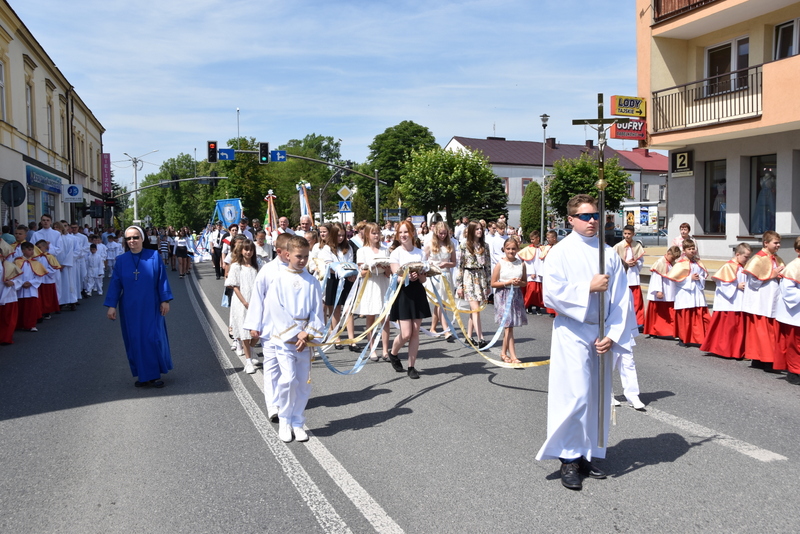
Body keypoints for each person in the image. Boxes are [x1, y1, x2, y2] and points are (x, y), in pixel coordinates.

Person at [535, 194, 636, 491]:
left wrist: (612, 334)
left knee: (596, 397)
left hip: (601, 332)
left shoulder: (608, 253)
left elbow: (622, 298)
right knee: (576, 395)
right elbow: (550, 294)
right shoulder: (560, 252)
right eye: (584, 216)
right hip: (573, 330)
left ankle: (586, 453)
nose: (592, 221)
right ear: (570, 220)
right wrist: (587, 288)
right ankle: (568, 458)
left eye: (595, 215)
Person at [104, 226, 174, 388]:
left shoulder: (154, 256)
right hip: (130, 307)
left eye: (135, 237)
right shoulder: (121, 260)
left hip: (152, 305)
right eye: (128, 238)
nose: (132, 241)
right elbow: (115, 284)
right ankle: (143, 375)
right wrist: (111, 305)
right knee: (135, 340)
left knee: (152, 338)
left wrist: (165, 300)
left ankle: (153, 374)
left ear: (142, 238)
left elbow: (162, 279)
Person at [387, 220, 431, 379]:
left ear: (412, 233)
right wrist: (407, 277)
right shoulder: (396, 253)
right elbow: (396, 277)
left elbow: (424, 279)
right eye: (400, 232)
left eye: (406, 232)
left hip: (417, 292)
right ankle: (393, 353)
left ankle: (411, 366)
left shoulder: (420, 253)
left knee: (415, 332)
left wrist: (419, 275)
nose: (403, 235)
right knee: (406, 333)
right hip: (403, 293)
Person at [742, 231, 785, 370]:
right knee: (762, 332)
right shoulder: (758, 259)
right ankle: (766, 360)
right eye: (775, 243)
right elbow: (753, 283)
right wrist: (772, 275)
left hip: (772, 299)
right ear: (766, 243)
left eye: (779, 243)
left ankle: (760, 359)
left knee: (769, 331)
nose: (778, 245)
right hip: (760, 300)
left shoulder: (776, 258)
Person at [700, 243, 751, 359]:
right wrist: (736, 286)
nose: (747, 259)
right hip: (729, 302)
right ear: (737, 254)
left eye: (749, 257)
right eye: (746, 257)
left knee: (737, 329)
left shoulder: (743, 267)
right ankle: (725, 350)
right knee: (728, 328)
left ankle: (737, 351)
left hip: (739, 300)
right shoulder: (728, 267)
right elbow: (722, 283)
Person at [355, 222, 392, 361]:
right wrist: (372, 267)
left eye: (378, 233)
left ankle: (385, 350)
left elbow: (389, 273)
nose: (376, 235)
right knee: (370, 317)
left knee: (385, 318)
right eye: (373, 233)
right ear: (367, 235)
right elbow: (361, 272)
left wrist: (386, 268)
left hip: (383, 283)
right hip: (370, 284)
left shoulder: (385, 250)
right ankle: (372, 349)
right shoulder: (362, 251)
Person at [666, 239, 710, 346]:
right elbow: (675, 279)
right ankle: (683, 337)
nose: (692, 251)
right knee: (685, 317)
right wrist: (690, 278)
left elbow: (703, 275)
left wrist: (699, 277)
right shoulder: (680, 264)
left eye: (693, 248)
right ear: (684, 250)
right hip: (685, 293)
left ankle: (701, 338)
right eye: (689, 249)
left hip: (697, 291)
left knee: (699, 314)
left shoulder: (698, 262)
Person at [489, 238, 527, 363]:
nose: (511, 251)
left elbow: (525, 283)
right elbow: (493, 283)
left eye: (513, 249)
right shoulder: (500, 264)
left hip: (515, 295)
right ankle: (513, 356)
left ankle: (503, 353)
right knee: (508, 326)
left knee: (509, 326)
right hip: (503, 296)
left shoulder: (521, 264)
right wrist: (508, 282)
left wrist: (518, 282)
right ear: (504, 249)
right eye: (508, 249)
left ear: (517, 249)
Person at [454, 221, 491, 347]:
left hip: (481, 278)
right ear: (471, 231)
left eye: (481, 229)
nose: (479, 231)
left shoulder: (485, 246)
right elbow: (460, 266)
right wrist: (459, 285)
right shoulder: (464, 245)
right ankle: (481, 338)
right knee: (476, 310)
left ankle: (469, 336)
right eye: (477, 229)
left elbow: (488, 266)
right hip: (468, 277)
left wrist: (488, 284)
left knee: (474, 310)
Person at [226, 239, 261, 374]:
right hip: (242, 302)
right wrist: (245, 302)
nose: (248, 252)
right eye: (246, 249)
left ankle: (251, 349)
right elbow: (235, 286)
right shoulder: (236, 266)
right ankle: (248, 362)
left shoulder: (256, 266)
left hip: (255, 302)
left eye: (251, 250)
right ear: (241, 251)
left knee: (258, 331)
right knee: (245, 333)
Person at [423, 221, 457, 342]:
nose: (442, 235)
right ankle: (446, 330)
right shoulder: (430, 244)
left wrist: (446, 264)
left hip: (446, 276)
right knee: (440, 303)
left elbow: (454, 262)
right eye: (440, 233)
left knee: (442, 303)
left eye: (444, 233)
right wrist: (430, 265)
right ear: (436, 232)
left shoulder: (450, 244)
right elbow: (423, 261)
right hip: (435, 276)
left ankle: (433, 328)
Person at [777, 237, 800, 385]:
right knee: (796, 344)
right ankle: (794, 372)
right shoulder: (793, 267)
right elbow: (788, 291)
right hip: (795, 313)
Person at [613, 225, 646, 328]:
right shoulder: (618, 246)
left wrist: (636, 263)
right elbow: (614, 261)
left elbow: (641, 260)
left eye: (629, 234)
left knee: (637, 300)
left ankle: (639, 322)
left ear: (633, 234)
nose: (627, 236)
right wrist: (625, 263)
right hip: (624, 274)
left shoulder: (637, 246)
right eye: (625, 233)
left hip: (633, 275)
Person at [644, 246, 680, 338]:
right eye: (672, 258)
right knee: (657, 312)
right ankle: (653, 331)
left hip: (670, 291)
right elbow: (656, 278)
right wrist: (659, 291)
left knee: (670, 312)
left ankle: (671, 331)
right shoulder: (660, 263)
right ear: (668, 253)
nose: (673, 260)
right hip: (662, 291)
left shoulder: (672, 263)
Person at [14, 242, 45, 332]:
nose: (31, 252)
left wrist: (31, 283)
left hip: (31, 288)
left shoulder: (36, 263)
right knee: (20, 307)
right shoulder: (17, 262)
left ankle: (31, 325)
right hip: (20, 288)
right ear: (23, 250)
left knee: (31, 308)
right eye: (29, 250)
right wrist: (21, 283)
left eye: (32, 250)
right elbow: (14, 275)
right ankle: (19, 324)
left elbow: (39, 276)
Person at [34, 240, 61, 319]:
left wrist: (45, 271)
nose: (38, 249)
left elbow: (54, 268)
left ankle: (47, 312)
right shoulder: (35, 257)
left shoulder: (50, 257)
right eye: (36, 247)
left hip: (47, 279)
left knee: (47, 297)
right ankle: (40, 311)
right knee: (40, 296)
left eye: (39, 247)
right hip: (38, 279)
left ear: (45, 247)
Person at [520, 230, 544, 315]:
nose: (532, 241)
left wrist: (541, 272)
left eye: (533, 239)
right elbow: (528, 261)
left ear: (538, 238)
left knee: (539, 292)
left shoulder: (543, 248)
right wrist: (532, 272)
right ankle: (528, 307)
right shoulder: (529, 249)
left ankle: (538, 308)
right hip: (532, 274)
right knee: (531, 290)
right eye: (531, 239)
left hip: (540, 273)